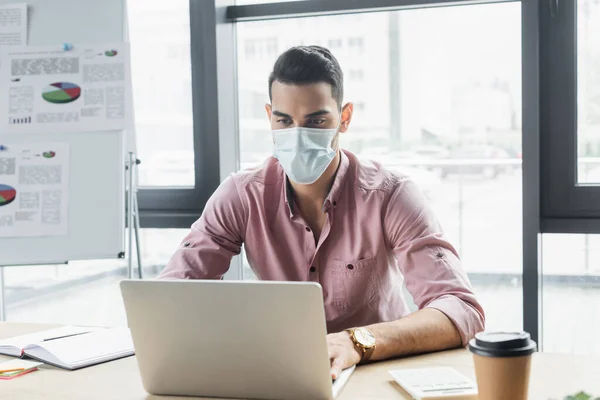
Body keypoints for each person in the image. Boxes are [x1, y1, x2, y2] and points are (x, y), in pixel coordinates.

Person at [159, 45, 485, 379]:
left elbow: (461, 309)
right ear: (269, 116)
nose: (297, 136)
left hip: (377, 370)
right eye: (284, 121)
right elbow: (167, 301)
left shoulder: (391, 194)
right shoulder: (243, 195)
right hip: (284, 373)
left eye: (315, 121)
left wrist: (357, 342)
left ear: (344, 119)